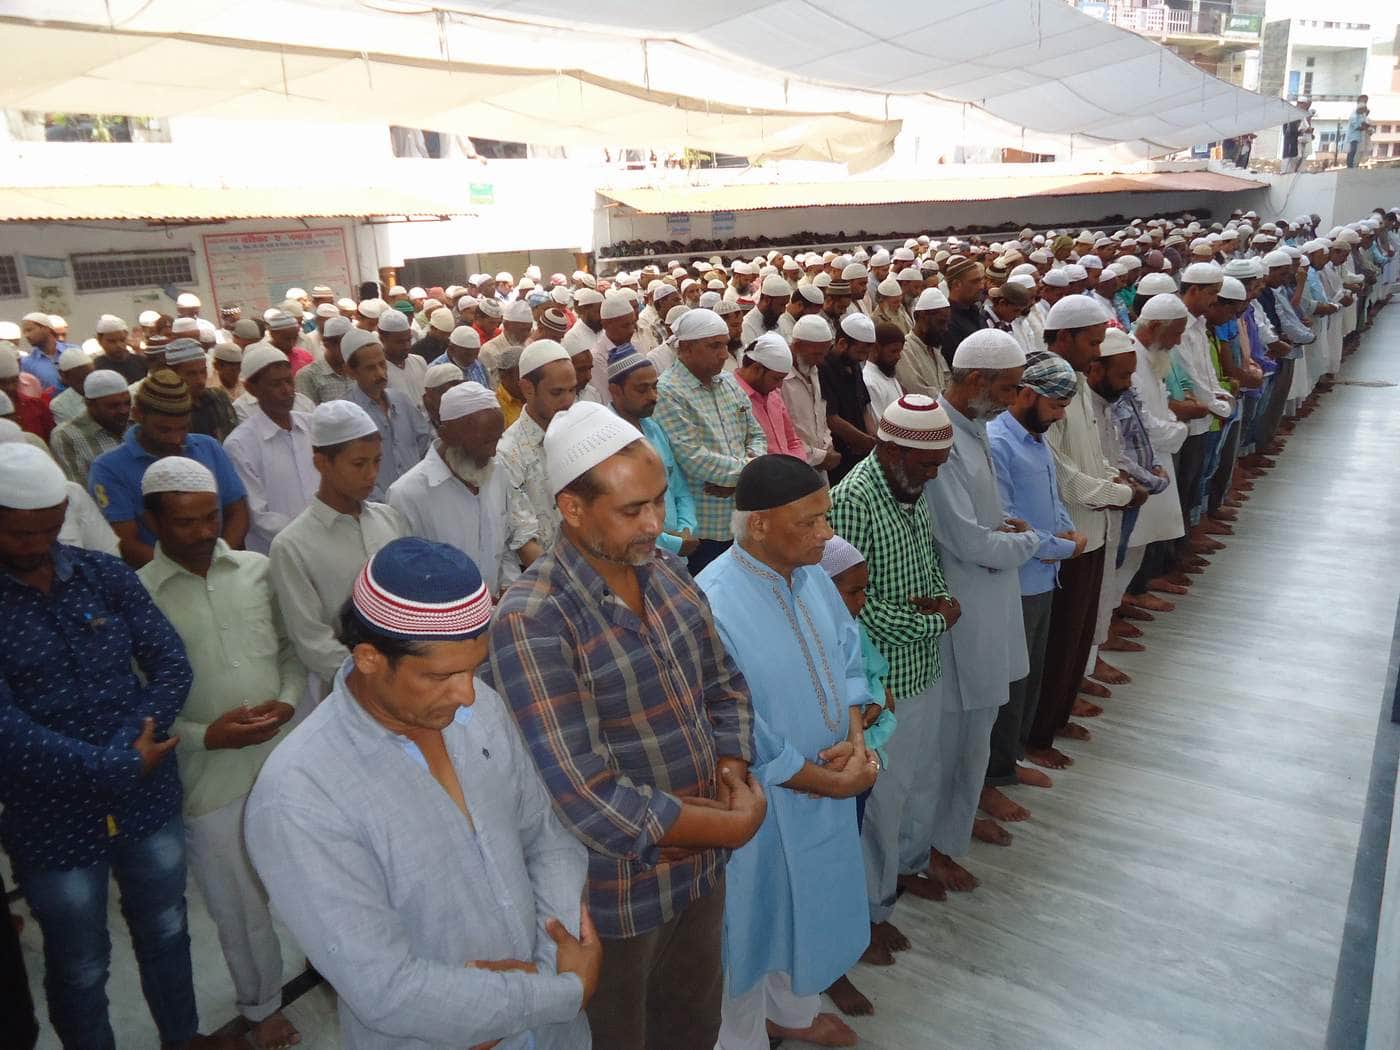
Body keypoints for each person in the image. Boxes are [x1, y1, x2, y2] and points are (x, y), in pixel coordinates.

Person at [247, 538, 599, 1049]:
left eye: (473, 668)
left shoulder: (478, 710)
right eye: (441, 675)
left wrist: (547, 973)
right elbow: (386, 987)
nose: (468, 693)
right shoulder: (299, 796)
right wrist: (558, 993)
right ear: (369, 658)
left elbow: (546, 838)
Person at [489, 402, 764, 1050]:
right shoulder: (535, 619)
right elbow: (585, 794)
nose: (655, 524)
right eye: (632, 509)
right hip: (617, 897)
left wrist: (730, 770)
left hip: (699, 873)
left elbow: (725, 684)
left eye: (659, 501)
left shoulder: (665, 574)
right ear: (572, 508)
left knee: (693, 1028)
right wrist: (726, 825)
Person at [0, 444, 235, 1050]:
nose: (37, 545)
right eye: (21, 533)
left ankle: (182, 1038)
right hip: (51, 817)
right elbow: (6, 729)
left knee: (167, 928)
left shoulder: (101, 575)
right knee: (81, 964)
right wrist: (111, 763)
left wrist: (137, 738)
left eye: (49, 529)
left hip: (144, 797)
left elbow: (169, 663)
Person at [698, 455, 874, 1049]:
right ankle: (743, 1037)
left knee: (811, 910)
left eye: (825, 517)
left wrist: (855, 740)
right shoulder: (713, 601)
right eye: (810, 521)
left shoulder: (813, 576)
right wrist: (831, 782)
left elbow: (848, 655)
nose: (826, 533)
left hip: (830, 783)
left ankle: (794, 1015)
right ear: (759, 525)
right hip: (762, 804)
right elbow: (737, 728)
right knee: (751, 928)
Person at [136, 457, 304, 1050]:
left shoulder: (258, 570)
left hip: (285, 762)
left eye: (211, 517)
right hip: (209, 779)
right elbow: (138, 707)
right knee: (239, 906)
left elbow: (289, 651)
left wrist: (287, 702)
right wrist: (208, 735)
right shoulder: (139, 597)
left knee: (315, 879)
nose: (204, 532)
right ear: (152, 522)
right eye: (186, 522)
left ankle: (335, 963)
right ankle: (262, 1007)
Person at [828, 395, 958, 957]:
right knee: (881, 804)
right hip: (884, 687)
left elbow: (929, 566)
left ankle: (905, 869)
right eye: (926, 464)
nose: (933, 476)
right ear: (890, 450)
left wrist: (942, 601)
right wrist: (935, 621)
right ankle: (868, 912)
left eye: (938, 465)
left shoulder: (910, 489)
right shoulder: (854, 500)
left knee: (921, 780)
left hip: (922, 665)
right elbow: (858, 609)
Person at [920, 330, 1041, 873]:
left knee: (976, 732)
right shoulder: (941, 438)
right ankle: (935, 845)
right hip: (962, 604)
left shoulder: (975, 426)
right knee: (954, 739)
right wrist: (1030, 541)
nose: (1015, 399)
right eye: (1010, 388)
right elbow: (966, 540)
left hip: (989, 595)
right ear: (975, 380)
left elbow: (980, 521)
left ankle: (958, 823)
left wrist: (1007, 527)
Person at [1028, 297, 1143, 761]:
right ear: (1064, 337)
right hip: (1068, 536)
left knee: (1077, 636)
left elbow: (1090, 457)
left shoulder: (1075, 382)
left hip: (1094, 529)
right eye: (1092, 343)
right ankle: (1038, 736)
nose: (1097, 353)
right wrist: (1118, 493)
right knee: (1058, 641)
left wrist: (1115, 482)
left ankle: (1059, 716)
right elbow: (1060, 473)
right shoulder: (1046, 386)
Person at [987, 352, 1086, 779]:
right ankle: (996, 772)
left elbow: (1051, 495)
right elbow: (1007, 523)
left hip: (1044, 575)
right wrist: (1064, 548)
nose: (1060, 416)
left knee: (1030, 674)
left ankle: (1012, 757)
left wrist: (1067, 531)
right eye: (1056, 405)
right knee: (1010, 681)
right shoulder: (998, 443)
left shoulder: (1033, 435)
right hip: (1017, 581)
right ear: (1027, 394)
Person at [268, 400, 408, 696]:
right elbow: (312, 640)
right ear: (322, 463)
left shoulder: (390, 520)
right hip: (353, 691)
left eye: (377, 461)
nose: (371, 474)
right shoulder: (292, 545)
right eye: (359, 464)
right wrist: (374, 680)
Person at [88, 369, 248, 567]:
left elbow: (237, 511)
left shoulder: (208, 447)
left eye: (183, 428)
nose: (176, 439)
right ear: (137, 415)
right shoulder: (108, 468)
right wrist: (187, 572)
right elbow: (126, 543)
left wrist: (221, 561)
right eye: (164, 430)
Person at [653, 308, 767, 575]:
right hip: (703, 529)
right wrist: (750, 473)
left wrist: (738, 480)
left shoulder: (727, 382)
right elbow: (693, 458)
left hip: (742, 517)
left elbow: (757, 435)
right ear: (687, 348)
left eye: (725, 345)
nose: (724, 354)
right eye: (714, 346)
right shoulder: (667, 391)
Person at [388, 381, 523, 593]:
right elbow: (407, 578)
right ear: (446, 435)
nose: (493, 452)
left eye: (497, 440)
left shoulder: (497, 472)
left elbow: (505, 545)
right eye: (485, 442)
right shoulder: (407, 495)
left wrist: (509, 588)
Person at [606, 344, 699, 558]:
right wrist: (672, 543)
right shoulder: (608, 440)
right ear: (615, 390)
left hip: (677, 550)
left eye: (654, 387)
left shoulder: (653, 428)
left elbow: (679, 487)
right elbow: (621, 512)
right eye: (642, 390)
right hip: (637, 554)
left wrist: (686, 529)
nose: (653, 396)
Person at [223, 346, 317, 556]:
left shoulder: (312, 426)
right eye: (276, 384)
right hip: (277, 553)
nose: (287, 390)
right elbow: (258, 516)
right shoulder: (240, 445)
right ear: (252, 389)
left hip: (326, 542)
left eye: (289, 381)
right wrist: (308, 538)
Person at [496, 339, 579, 573]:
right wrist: (568, 584)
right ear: (527, 388)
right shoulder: (508, 453)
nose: (568, 401)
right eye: (557, 392)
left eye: (572, 390)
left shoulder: (579, 432)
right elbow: (525, 543)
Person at [341, 327, 431, 500]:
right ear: (351, 372)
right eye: (370, 368)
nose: (380, 373)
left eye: (382, 365)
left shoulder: (401, 401)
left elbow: (424, 445)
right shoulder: (347, 414)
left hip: (418, 499)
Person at [780, 314, 841, 475]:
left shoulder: (813, 369)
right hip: (793, 468)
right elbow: (782, 433)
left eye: (823, 354)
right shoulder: (779, 379)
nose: (821, 360)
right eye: (816, 354)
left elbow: (820, 416)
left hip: (819, 466)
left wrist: (827, 447)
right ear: (797, 346)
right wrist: (818, 457)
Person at [49, 369, 130, 486]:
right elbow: (80, 489)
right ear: (90, 404)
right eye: (113, 406)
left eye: (127, 403)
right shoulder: (66, 436)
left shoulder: (135, 422)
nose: (124, 410)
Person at [734, 333, 806, 460]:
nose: (779, 385)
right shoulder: (732, 396)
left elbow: (793, 441)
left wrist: (794, 466)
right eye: (776, 379)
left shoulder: (773, 395)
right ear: (756, 369)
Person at [164, 339, 237, 442]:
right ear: (172, 374)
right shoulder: (168, 411)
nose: (200, 381)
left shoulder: (219, 398)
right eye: (191, 374)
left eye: (203, 372)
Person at [896, 287, 953, 396]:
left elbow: (948, 383)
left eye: (946, 323)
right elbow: (917, 391)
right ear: (922, 317)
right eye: (941, 322)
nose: (945, 329)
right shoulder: (905, 350)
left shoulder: (935, 350)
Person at [293, 314, 355, 405]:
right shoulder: (308, 376)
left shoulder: (358, 370)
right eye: (344, 344)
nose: (349, 349)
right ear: (327, 344)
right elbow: (306, 411)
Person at [940, 257, 988, 364]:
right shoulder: (947, 322)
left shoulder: (976, 313)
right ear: (957, 285)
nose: (981, 286)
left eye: (981, 280)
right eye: (975, 282)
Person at [377, 309, 428, 410]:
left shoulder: (419, 361)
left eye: (409, 340)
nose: (407, 346)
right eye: (399, 342)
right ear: (382, 339)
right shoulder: (379, 372)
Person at [863, 321, 905, 418]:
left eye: (899, 352)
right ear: (875, 349)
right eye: (893, 351)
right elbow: (879, 423)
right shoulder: (869, 383)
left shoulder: (888, 375)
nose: (898, 357)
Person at [93, 314, 148, 384]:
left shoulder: (142, 362)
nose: (119, 345)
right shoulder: (96, 368)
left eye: (122, 340)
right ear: (99, 341)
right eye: (112, 341)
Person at [49, 346, 94, 426]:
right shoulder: (59, 404)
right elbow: (73, 430)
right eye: (81, 380)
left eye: (91, 377)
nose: (88, 383)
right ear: (64, 376)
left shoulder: (107, 388)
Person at [19, 311, 63, 393]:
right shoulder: (26, 363)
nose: (26, 336)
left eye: (29, 330)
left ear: (45, 328)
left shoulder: (73, 351)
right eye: (24, 332)